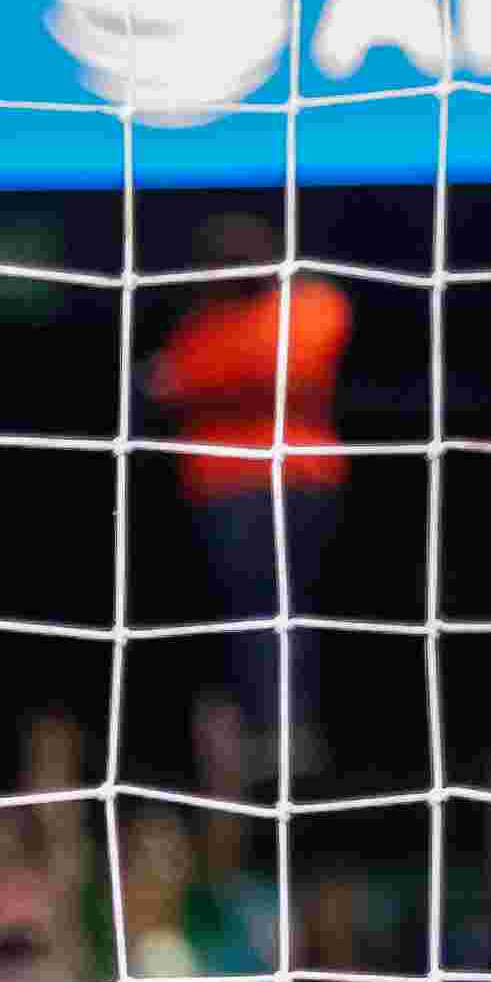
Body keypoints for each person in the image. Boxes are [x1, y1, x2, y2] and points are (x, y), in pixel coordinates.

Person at [144, 218, 352, 776]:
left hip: (294, 479)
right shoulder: (203, 318)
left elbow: (281, 368)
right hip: (220, 486)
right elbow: (169, 381)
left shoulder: (312, 302)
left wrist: (209, 377)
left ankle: (287, 741)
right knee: (244, 618)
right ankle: (255, 745)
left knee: (280, 611)